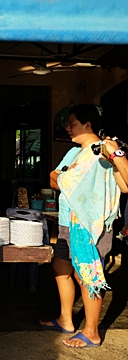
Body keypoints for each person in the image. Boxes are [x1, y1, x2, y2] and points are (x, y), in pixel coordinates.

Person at [39, 104, 128, 348]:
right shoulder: (74, 152)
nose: (67, 128)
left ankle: (91, 332)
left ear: (88, 125)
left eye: (72, 123)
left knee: (87, 275)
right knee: (60, 268)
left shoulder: (105, 151)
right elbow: (54, 178)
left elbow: (124, 184)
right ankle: (65, 320)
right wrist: (64, 177)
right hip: (67, 221)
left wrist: (116, 154)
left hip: (91, 224)